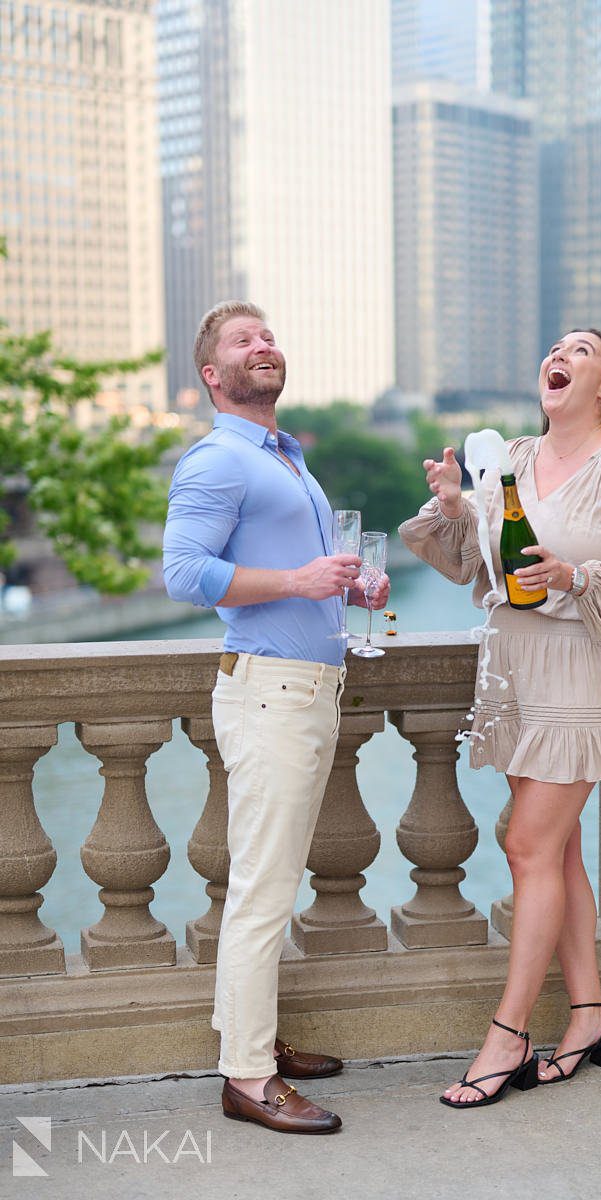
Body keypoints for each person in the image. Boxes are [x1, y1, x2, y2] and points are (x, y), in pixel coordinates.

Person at [399, 329, 601, 1107]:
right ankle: (588, 1015)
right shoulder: (513, 459)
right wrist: (456, 505)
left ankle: (509, 1033)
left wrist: (576, 574)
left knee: (526, 844)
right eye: (554, 348)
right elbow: (472, 565)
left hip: (584, 669)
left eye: (580, 350)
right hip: (515, 672)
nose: (558, 355)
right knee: (551, 853)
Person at [163, 300, 389, 1134]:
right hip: (269, 692)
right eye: (240, 341)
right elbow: (184, 575)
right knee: (262, 890)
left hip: (303, 687)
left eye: (267, 335)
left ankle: (253, 1039)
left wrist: (347, 586)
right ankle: (248, 1078)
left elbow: (296, 567)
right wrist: (298, 584)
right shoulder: (218, 459)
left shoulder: (287, 457)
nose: (262, 346)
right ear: (214, 376)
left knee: (272, 880)